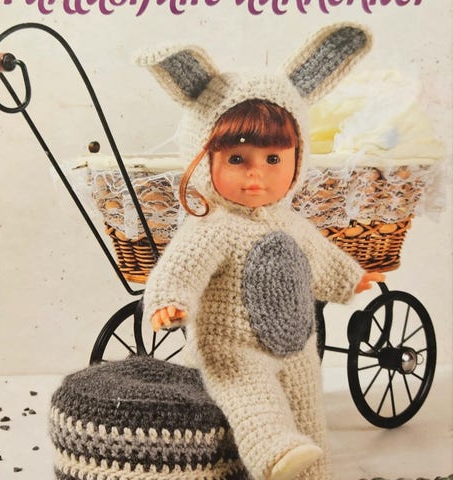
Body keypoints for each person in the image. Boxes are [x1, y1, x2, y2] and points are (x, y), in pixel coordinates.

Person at [140, 24, 380, 480]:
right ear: (203, 158)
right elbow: (180, 268)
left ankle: (312, 471)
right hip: (231, 347)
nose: (256, 176)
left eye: (273, 159)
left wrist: (352, 278)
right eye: (237, 159)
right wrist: (169, 302)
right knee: (253, 397)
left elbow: (319, 258)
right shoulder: (213, 227)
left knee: (307, 409)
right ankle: (274, 454)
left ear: (297, 159)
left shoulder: (291, 223)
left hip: (296, 344)